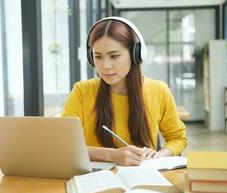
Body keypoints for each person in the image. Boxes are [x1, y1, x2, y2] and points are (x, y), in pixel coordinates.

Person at [61, 17, 187, 166]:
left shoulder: (159, 90)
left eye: (114, 56)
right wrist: (113, 155)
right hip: (95, 177)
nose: (105, 65)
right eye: (98, 57)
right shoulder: (82, 91)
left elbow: (178, 138)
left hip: (142, 176)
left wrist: (159, 155)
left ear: (135, 54)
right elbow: (64, 145)